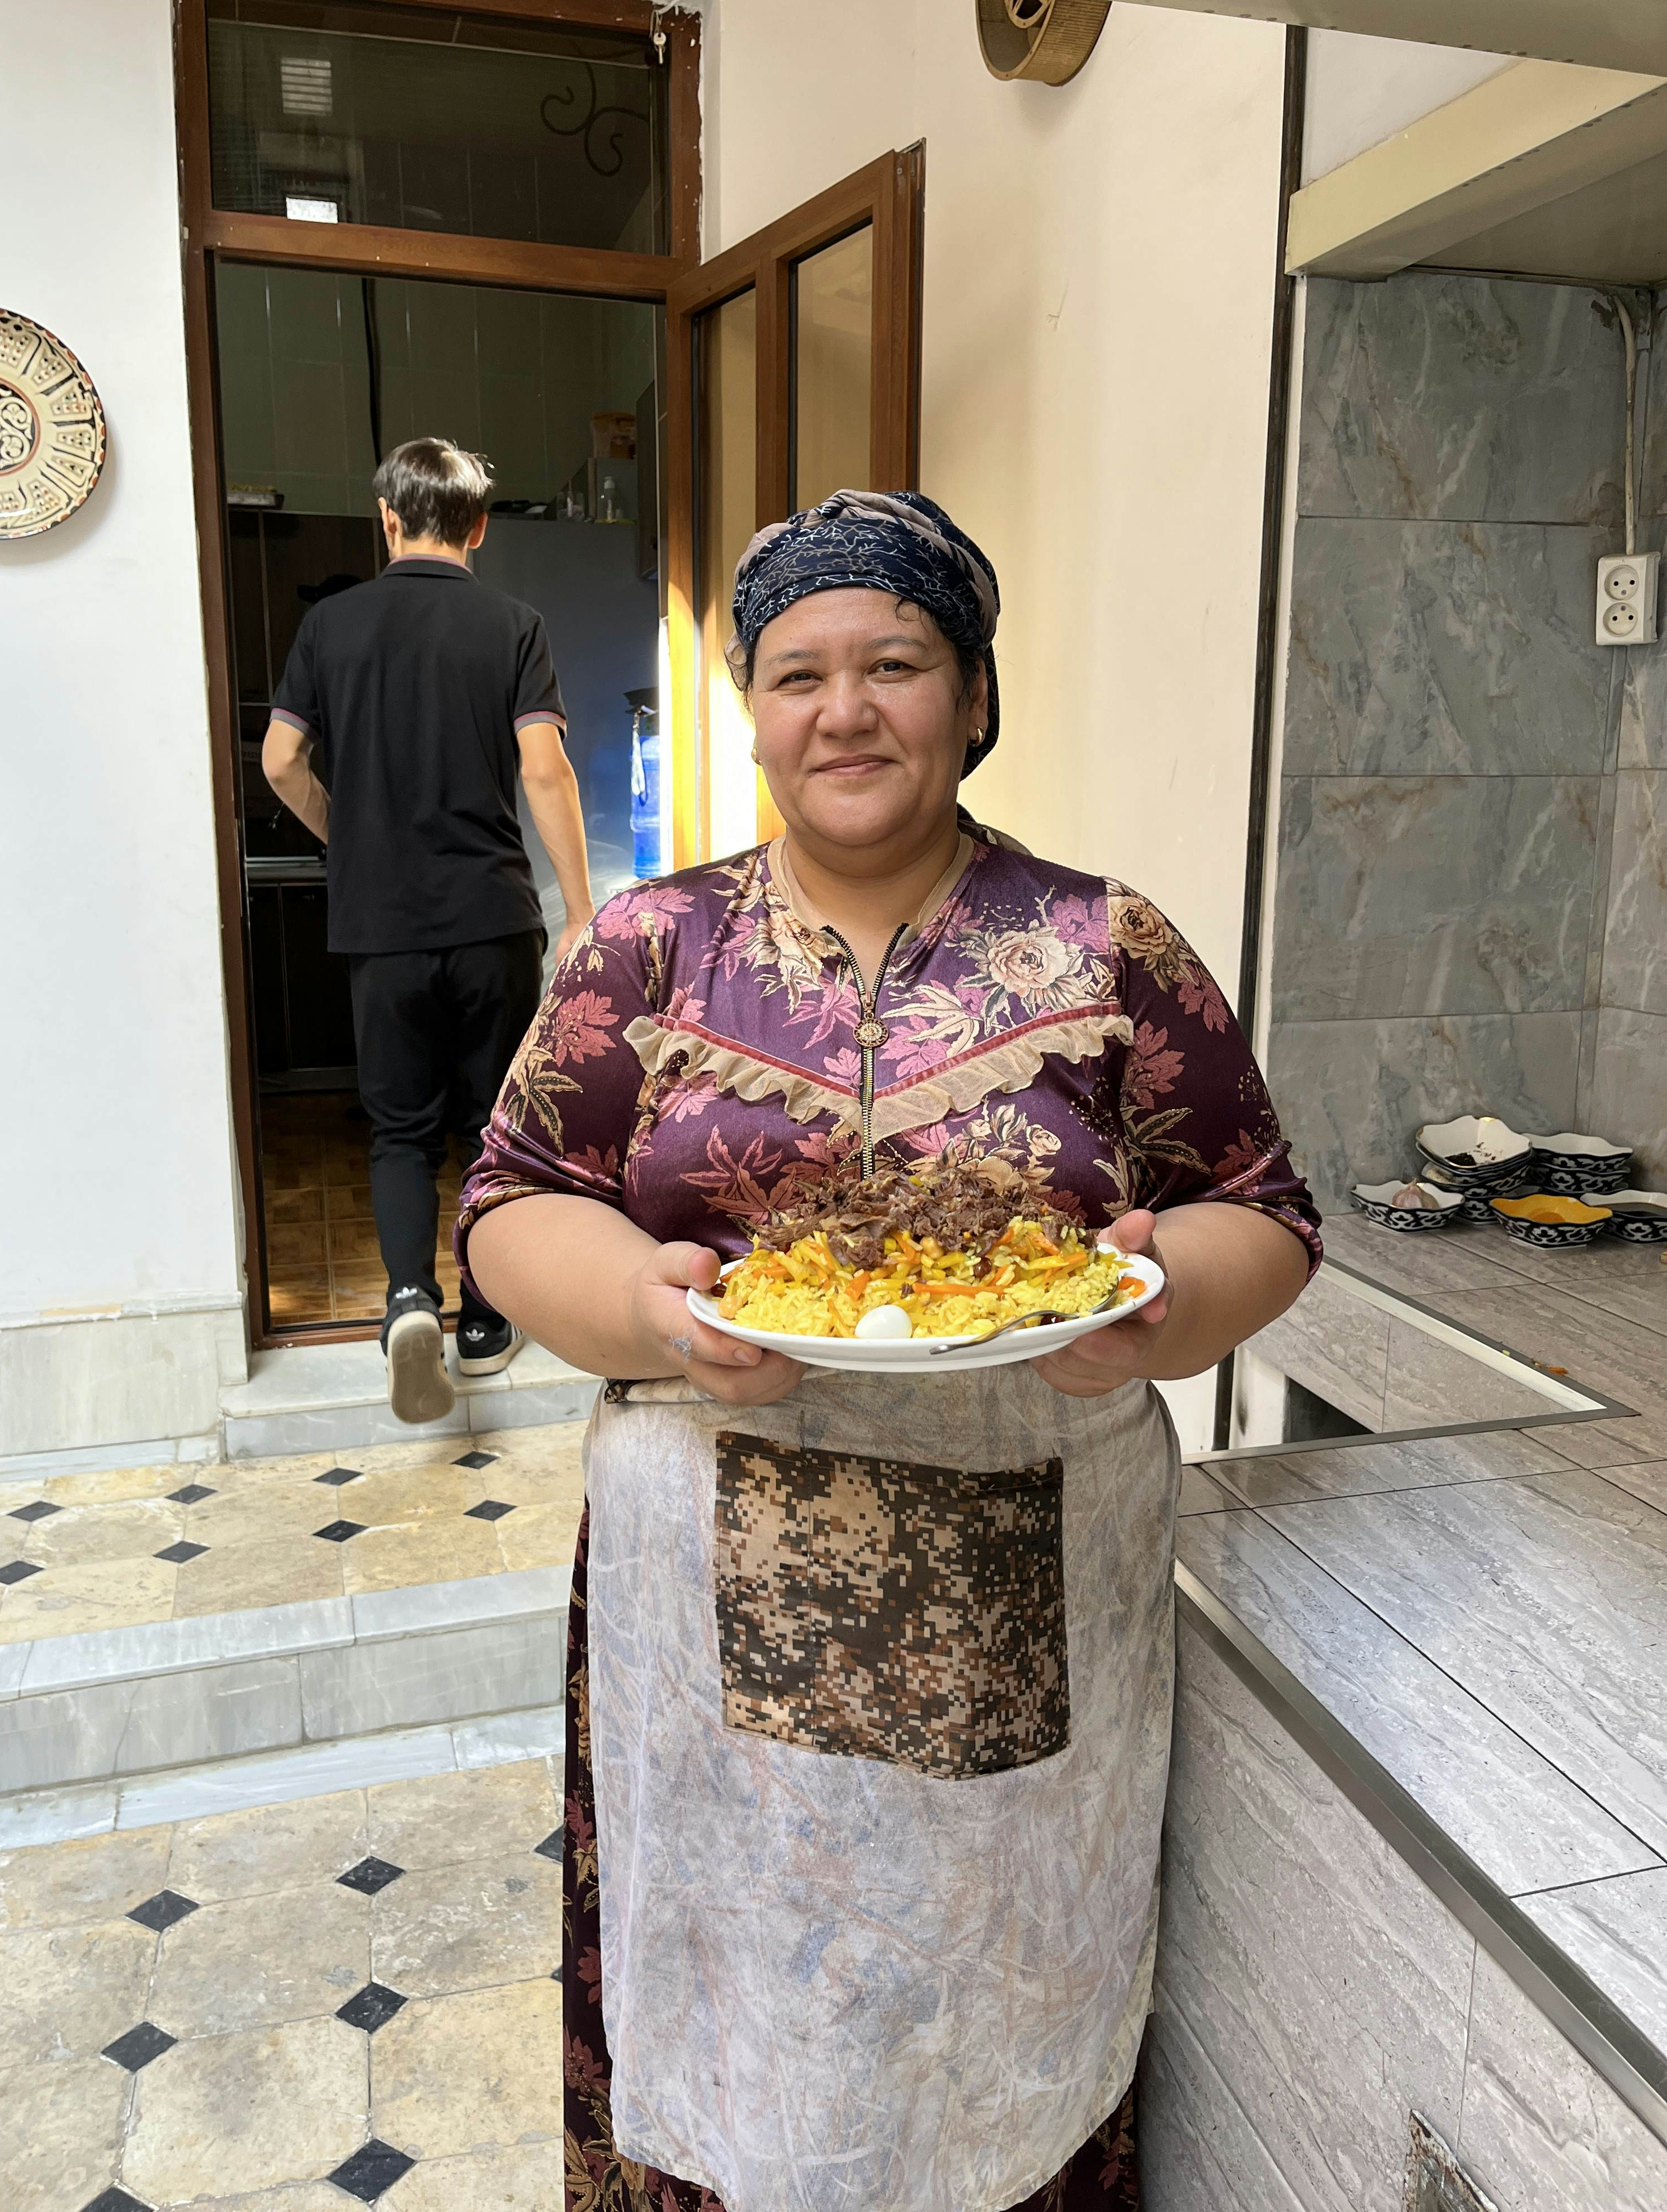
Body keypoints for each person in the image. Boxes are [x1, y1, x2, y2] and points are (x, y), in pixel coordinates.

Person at [456, 489, 1320, 2210]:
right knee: (740, 2036)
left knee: (991, 2038)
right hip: (703, 1580)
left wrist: (1163, 1314)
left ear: (973, 698)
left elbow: (1264, 1209)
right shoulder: (649, 949)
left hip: (1036, 1592)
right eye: (798, 675)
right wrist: (650, 1311)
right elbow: (510, 1200)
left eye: (896, 664)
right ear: (756, 715)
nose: (844, 711)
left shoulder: (1106, 945)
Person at [262, 437, 594, 1422]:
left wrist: (348, 840)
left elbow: (282, 762)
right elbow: (546, 771)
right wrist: (578, 909)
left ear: (387, 519)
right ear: (480, 527)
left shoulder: (332, 624)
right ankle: (490, 1318)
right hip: (492, 918)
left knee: (399, 1129)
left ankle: (410, 1300)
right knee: (494, 1127)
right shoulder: (514, 625)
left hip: (382, 927)